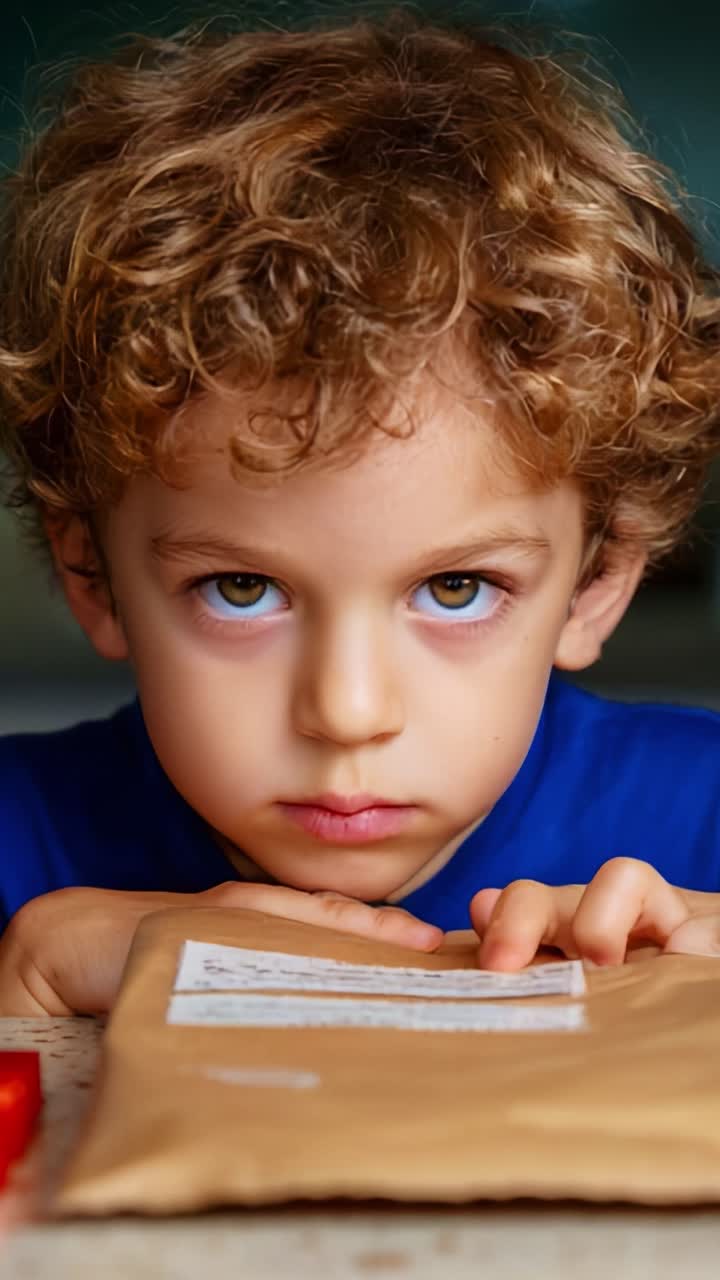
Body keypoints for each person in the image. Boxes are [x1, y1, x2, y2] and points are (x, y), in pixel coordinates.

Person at [2, 11, 720, 1017]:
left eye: (456, 587)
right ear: (93, 574)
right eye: (241, 589)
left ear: (597, 583)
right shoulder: (17, 844)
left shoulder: (704, 818)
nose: (347, 711)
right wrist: (27, 980)